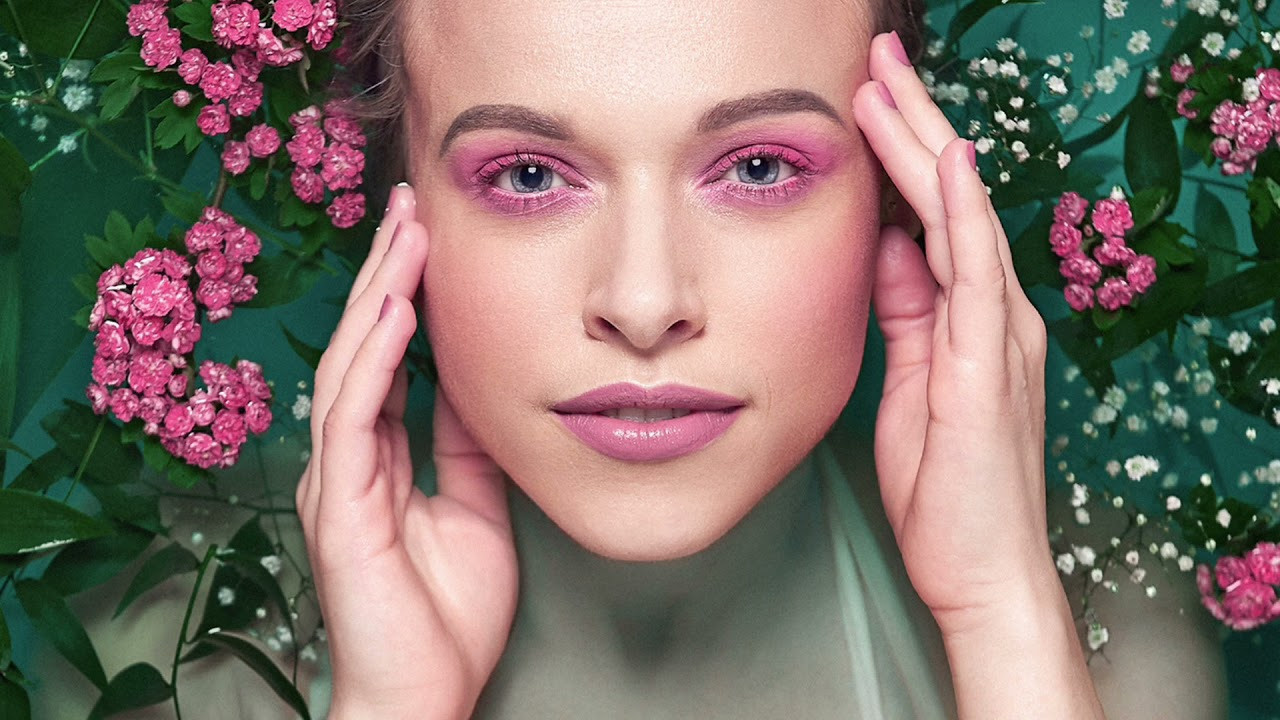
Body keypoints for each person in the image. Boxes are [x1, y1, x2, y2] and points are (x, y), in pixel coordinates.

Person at [295, 1, 1228, 718]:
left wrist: (1003, 615)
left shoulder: (1113, 628)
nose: (646, 303)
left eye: (757, 168)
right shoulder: (194, 637)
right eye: (529, 175)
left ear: (899, 199)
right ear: (394, 199)